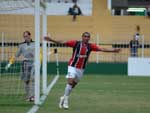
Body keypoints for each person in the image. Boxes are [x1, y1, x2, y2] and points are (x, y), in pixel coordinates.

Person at [44, 32, 120, 109]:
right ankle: (66, 101)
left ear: (89, 38)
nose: (86, 38)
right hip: (72, 66)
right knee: (70, 82)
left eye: (88, 37)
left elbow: (102, 49)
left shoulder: (90, 46)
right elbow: (63, 42)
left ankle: (63, 97)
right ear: (82, 37)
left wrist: (113, 50)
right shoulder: (75, 43)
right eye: (85, 36)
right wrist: (51, 40)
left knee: (73, 85)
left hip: (81, 69)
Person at [8, 31, 35, 102]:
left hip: (34, 63)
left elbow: (39, 53)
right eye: (24, 36)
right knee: (26, 80)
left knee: (33, 78)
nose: (25, 37)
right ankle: (28, 96)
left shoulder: (35, 44)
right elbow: (17, 55)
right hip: (25, 63)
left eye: (26, 36)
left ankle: (33, 96)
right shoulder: (21, 45)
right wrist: (10, 61)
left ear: (30, 35)